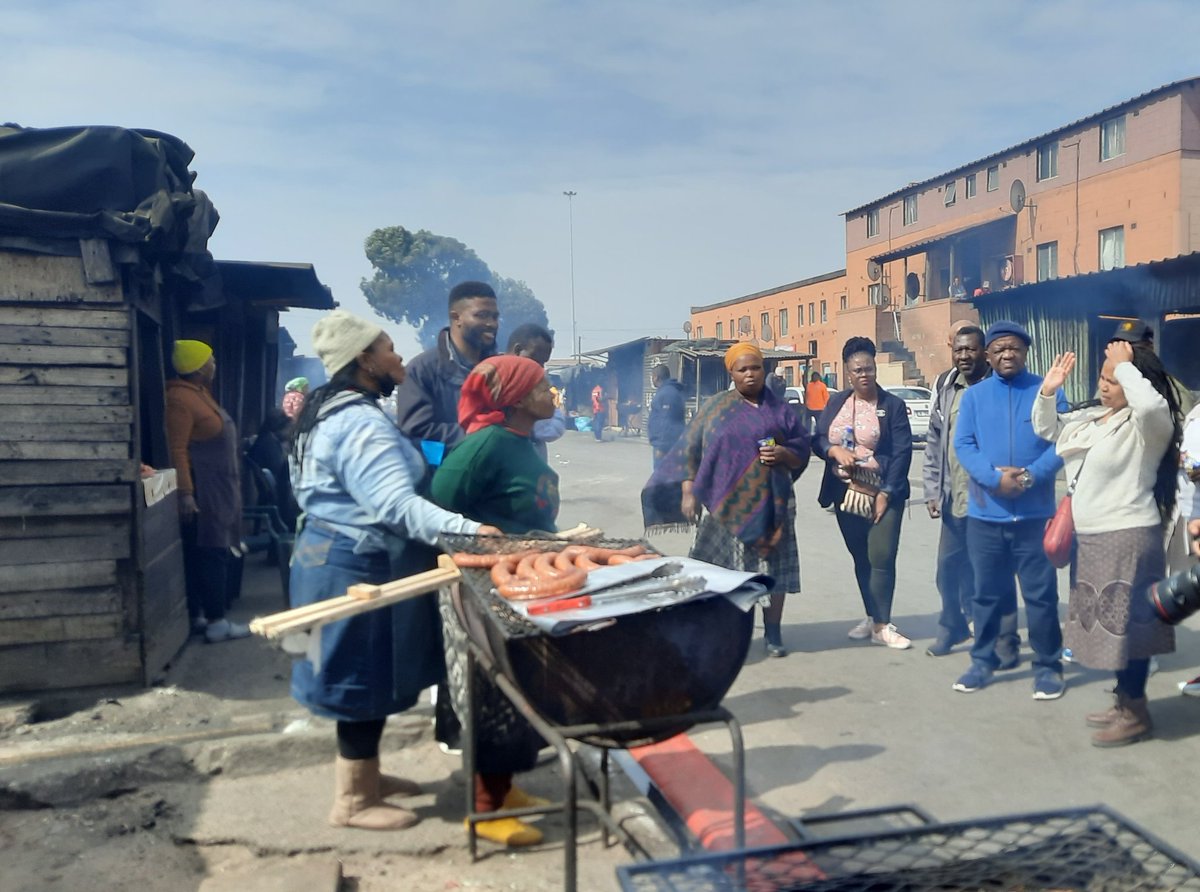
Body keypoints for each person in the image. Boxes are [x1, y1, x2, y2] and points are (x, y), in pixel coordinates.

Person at [287, 309, 499, 831]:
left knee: (367, 671)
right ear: (364, 360)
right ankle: (353, 801)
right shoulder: (358, 422)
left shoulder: (331, 411)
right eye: (387, 346)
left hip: (328, 552)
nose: (397, 355)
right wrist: (470, 530)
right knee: (359, 674)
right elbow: (394, 506)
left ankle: (367, 778)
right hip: (354, 562)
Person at [430, 354, 560, 847]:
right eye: (545, 386)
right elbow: (439, 504)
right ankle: (485, 811)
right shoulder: (483, 445)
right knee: (493, 690)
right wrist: (484, 546)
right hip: (486, 588)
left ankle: (505, 791)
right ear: (519, 398)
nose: (554, 394)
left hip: (526, 581)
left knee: (520, 687)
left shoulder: (525, 441)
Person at [1033, 341, 1180, 745]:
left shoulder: (1146, 425)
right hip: (1094, 539)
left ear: (1135, 383)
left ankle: (1136, 712)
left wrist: (1125, 365)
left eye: (1114, 381)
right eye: (1102, 377)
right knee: (1110, 628)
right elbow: (1047, 429)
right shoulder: (1095, 418)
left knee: (1129, 630)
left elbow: (1150, 407)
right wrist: (1049, 390)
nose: (1106, 387)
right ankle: (1123, 700)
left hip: (1128, 538)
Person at [642, 343, 810, 657]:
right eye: (742, 369)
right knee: (730, 573)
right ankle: (735, 633)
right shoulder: (716, 407)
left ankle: (773, 635)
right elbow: (691, 447)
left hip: (775, 504)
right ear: (730, 372)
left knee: (774, 572)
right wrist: (689, 489)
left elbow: (802, 447)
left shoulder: (782, 410)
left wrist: (784, 453)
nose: (750, 374)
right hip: (725, 504)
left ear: (764, 370)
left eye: (755, 368)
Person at [952, 320, 1068, 699]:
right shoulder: (973, 397)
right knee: (986, 594)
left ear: (1025, 353)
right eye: (999, 348)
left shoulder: (1046, 392)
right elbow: (964, 445)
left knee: (1041, 596)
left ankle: (1048, 667)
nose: (1007, 354)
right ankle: (982, 661)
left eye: (1014, 348)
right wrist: (993, 479)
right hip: (986, 515)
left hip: (1035, 517)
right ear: (988, 355)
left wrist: (1031, 477)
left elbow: (1063, 442)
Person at [922, 326, 1020, 660]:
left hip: (993, 502)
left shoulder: (1003, 387)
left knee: (997, 574)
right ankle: (953, 628)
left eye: (971, 350)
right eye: (959, 350)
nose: (964, 356)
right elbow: (935, 442)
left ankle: (1005, 643)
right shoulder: (946, 386)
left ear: (986, 353)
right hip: (955, 500)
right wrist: (932, 489)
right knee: (947, 571)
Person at [814, 337, 914, 650]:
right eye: (857, 370)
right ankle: (873, 617)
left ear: (875, 368)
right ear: (848, 373)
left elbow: (902, 453)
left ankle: (883, 625)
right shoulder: (836, 403)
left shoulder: (892, 406)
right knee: (860, 557)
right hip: (846, 493)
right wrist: (832, 450)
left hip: (884, 492)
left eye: (868, 368)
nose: (864, 375)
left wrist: (886, 491)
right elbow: (816, 438)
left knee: (881, 556)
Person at [164, 339, 250, 644]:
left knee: (212, 551)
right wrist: (186, 493)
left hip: (220, 487)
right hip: (205, 490)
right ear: (200, 367)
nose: (215, 363)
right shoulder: (179, 399)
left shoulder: (199, 395)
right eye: (211, 359)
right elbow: (177, 449)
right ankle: (216, 622)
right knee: (211, 552)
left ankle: (202, 614)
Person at [394, 280, 500, 458]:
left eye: (495, 317)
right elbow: (415, 433)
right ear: (456, 317)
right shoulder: (420, 370)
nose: (491, 323)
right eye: (482, 315)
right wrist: (479, 436)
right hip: (443, 479)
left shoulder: (502, 368)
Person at [506, 323, 566, 462]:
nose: (540, 368)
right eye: (536, 360)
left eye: (543, 363)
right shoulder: (491, 380)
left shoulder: (536, 382)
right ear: (518, 350)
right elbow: (551, 428)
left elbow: (554, 428)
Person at [247, 407, 300, 532]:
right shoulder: (268, 444)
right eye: (288, 429)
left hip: (278, 490)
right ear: (280, 427)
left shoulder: (267, 440)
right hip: (281, 495)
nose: (289, 433)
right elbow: (281, 469)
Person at [647, 363, 686, 468]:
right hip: (667, 444)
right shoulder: (666, 391)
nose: (652, 379)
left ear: (656, 377)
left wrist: (662, 447)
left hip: (666, 446)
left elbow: (666, 422)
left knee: (662, 478)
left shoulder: (668, 393)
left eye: (652, 377)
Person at [804, 371, 829, 435]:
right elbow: (826, 398)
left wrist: (806, 404)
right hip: (819, 408)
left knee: (807, 423)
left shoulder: (809, 385)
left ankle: (808, 434)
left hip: (810, 408)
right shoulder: (822, 386)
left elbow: (806, 396)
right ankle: (819, 435)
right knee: (819, 424)